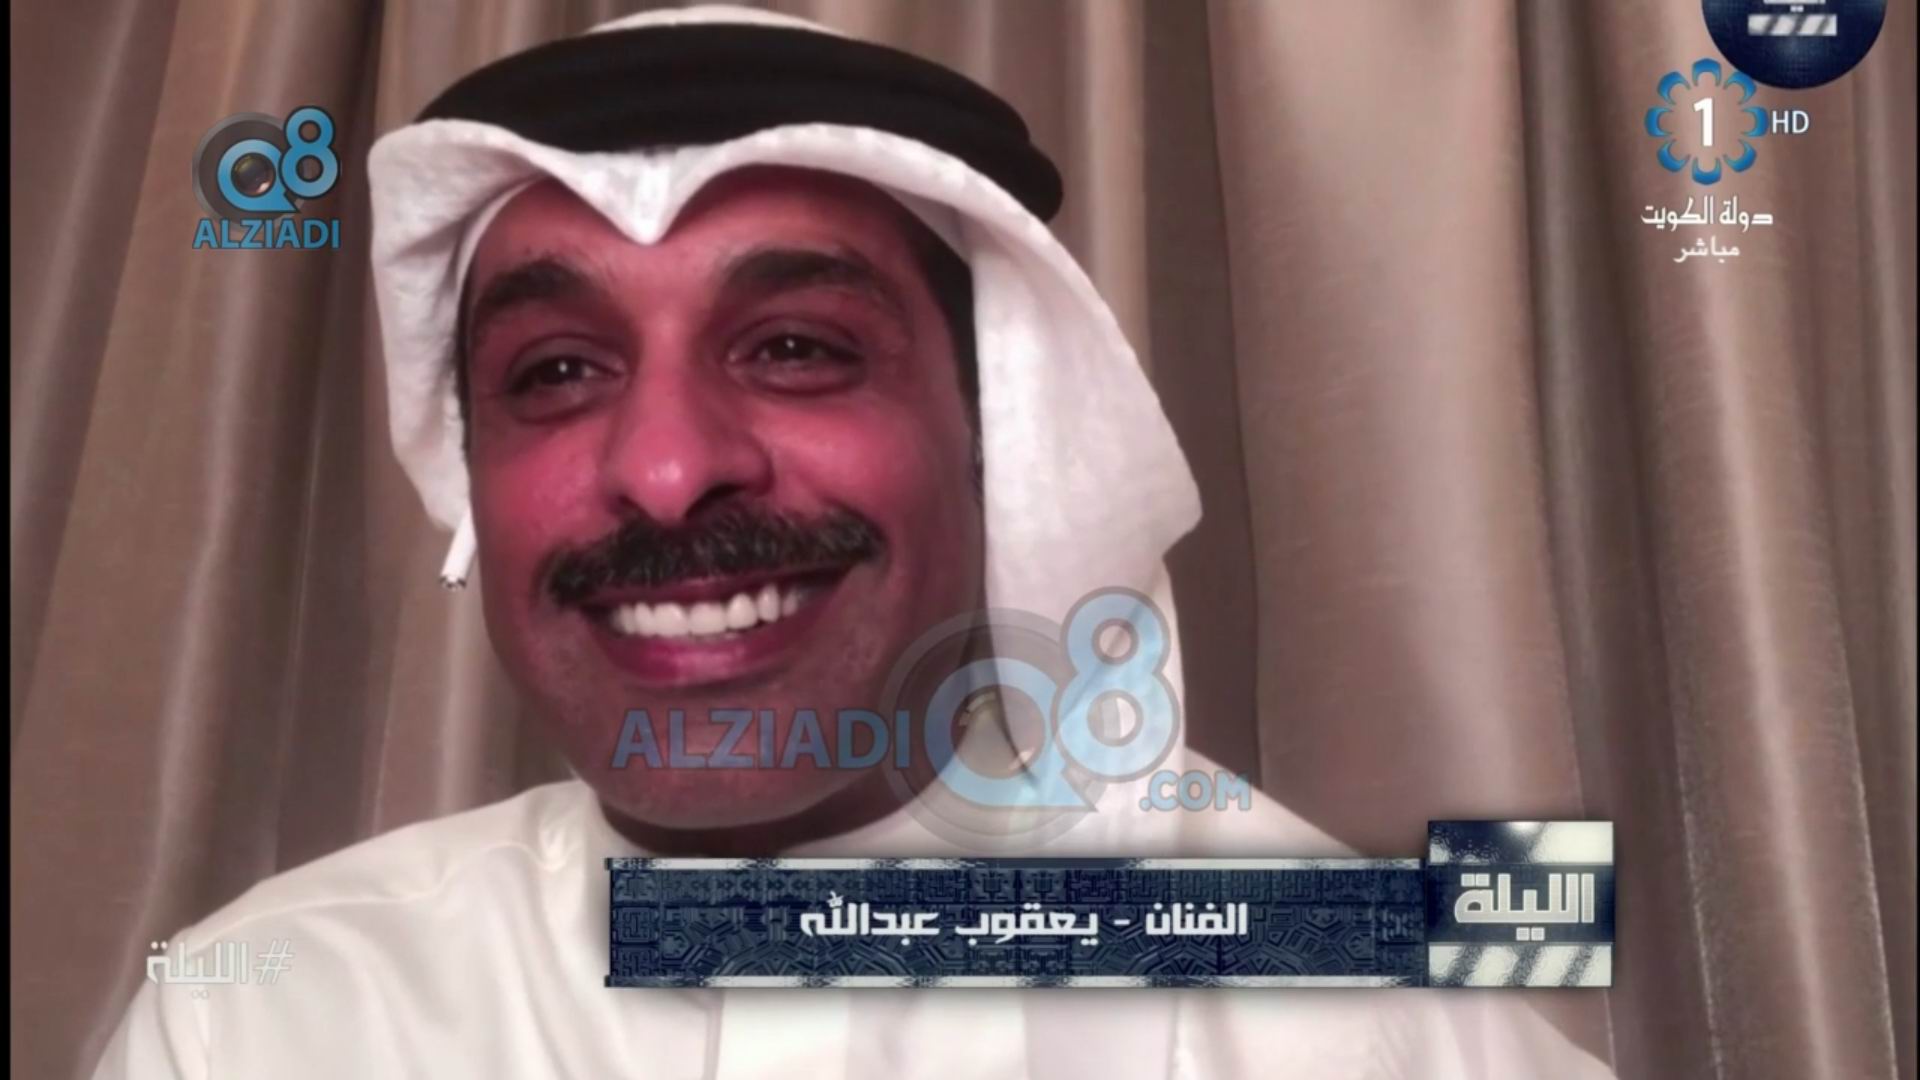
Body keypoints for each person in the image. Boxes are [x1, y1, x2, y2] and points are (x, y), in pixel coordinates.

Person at [93, 7, 1616, 1077]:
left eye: (795, 349)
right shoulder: (266, 1018)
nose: (668, 470)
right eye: (556, 372)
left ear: (1001, 431)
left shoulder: (1374, 1006)